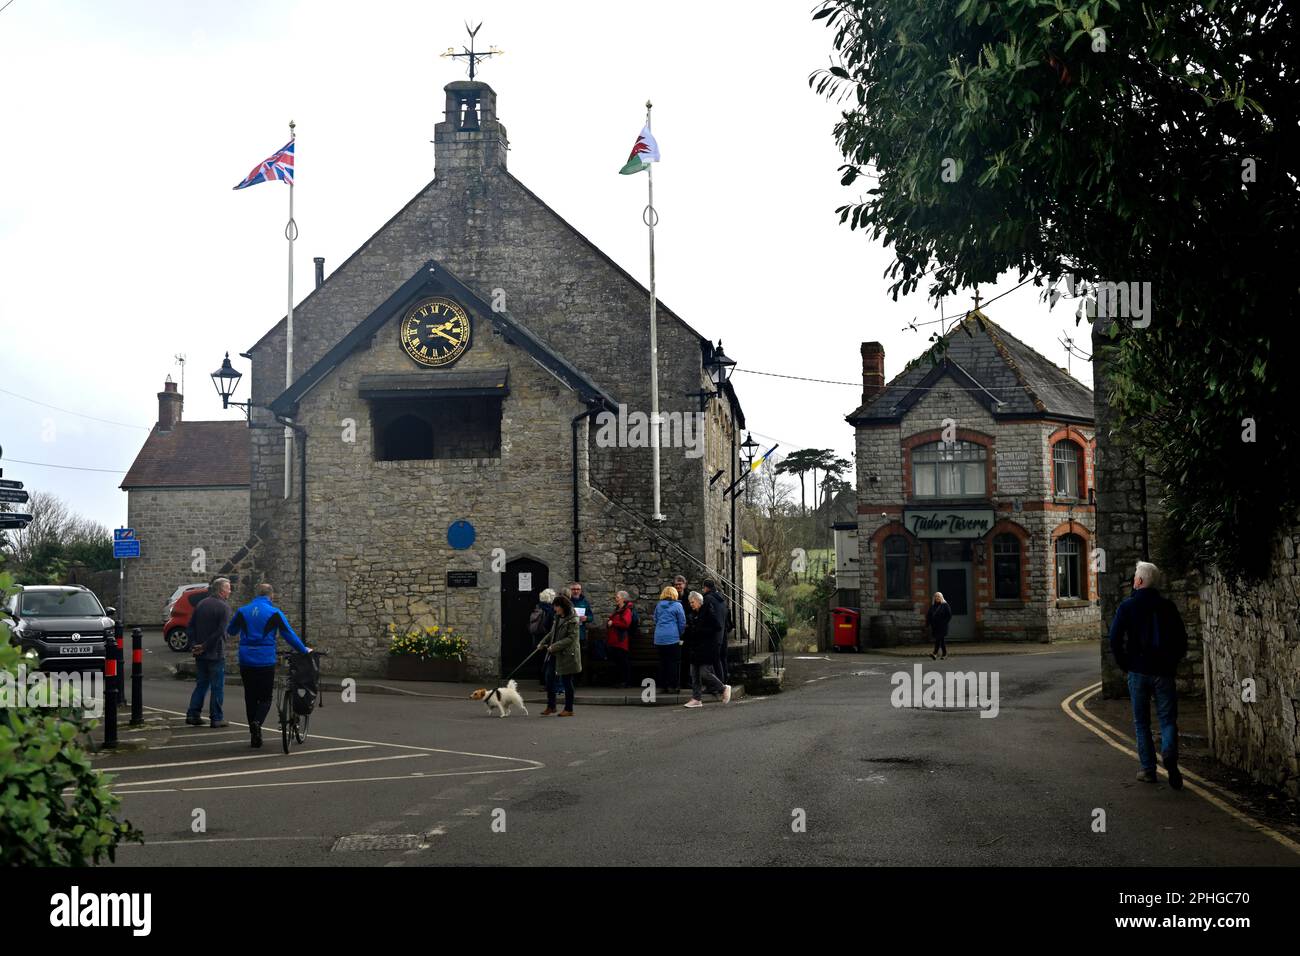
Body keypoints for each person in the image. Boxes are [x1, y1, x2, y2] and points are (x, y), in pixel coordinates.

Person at [1109, 561, 1188, 788]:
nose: (1134, 580)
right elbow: (1181, 640)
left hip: (1138, 671)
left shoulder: (1127, 606)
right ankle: (1169, 753)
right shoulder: (1168, 607)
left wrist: (1126, 664)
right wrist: (1172, 662)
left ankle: (1148, 769)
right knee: (1167, 719)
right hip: (1163, 672)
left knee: (1141, 722)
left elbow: (1114, 639)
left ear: (1140, 581)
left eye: (1135, 577)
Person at [227, 583, 311, 748]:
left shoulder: (242, 611)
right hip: (265, 660)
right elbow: (288, 634)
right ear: (271, 596)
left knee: (250, 697)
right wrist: (303, 650)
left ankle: (254, 735)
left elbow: (231, 631)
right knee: (265, 698)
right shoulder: (274, 612)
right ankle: (258, 723)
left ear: (256, 594)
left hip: (246, 660)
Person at [185, 577, 233, 728]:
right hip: (215, 653)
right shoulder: (224, 607)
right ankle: (216, 718)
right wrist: (205, 646)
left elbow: (190, 626)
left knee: (201, 684)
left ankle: (193, 714)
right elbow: (220, 632)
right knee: (217, 687)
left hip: (200, 654)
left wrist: (194, 645)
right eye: (228, 588)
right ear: (221, 590)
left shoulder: (201, 604)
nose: (230, 591)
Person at [684, 591, 732, 708]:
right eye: (690, 603)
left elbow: (717, 627)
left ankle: (723, 688)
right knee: (694, 673)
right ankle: (696, 699)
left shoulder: (708, 612)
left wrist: (700, 631)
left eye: (693, 602)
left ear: (699, 601)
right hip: (695, 648)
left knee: (704, 673)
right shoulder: (693, 614)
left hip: (706, 648)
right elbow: (692, 630)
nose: (691, 604)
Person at [539, 592, 581, 716]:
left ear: (563, 607)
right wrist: (542, 643)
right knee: (549, 679)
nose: (554, 608)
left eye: (556, 606)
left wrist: (554, 646)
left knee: (567, 681)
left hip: (567, 655)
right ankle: (551, 706)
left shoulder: (573, 620)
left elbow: (571, 638)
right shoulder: (557, 617)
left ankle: (569, 709)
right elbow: (552, 633)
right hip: (554, 653)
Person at [653, 585, 687, 694]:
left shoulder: (659, 605)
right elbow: (682, 622)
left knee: (662, 662)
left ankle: (663, 686)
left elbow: (655, 619)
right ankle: (673, 686)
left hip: (659, 638)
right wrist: (679, 634)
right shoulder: (677, 605)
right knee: (674, 663)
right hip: (672, 638)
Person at [700, 579, 728, 683]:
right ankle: (723, 682)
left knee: (713, 662)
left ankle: (717, 686)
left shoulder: (708, 599)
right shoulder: (722, 599)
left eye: (703, 588)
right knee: (719, 660)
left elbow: (706, 617)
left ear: (706, 587)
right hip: (721, 635)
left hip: (712, 635)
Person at [606, 590, 634, 688]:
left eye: (617, 597)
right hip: (615, 641)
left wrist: (613, 623)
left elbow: (626, 624)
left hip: (621, 641)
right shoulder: (618, 609)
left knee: (623, 662)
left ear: (623, 598)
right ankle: (619, 681)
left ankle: (625, 682)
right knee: (618, 662)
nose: (616, 598)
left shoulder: (627, 610)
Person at [532, 588, 558, 688]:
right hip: (546, 638)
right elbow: (549, 626)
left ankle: (542, 680)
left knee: (540, 660)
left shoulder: (537, 608)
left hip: (537, 638)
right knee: (548, 661)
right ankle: (548, 683)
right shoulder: (550, 610)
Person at [926, 592, 951, 660]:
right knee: (941, 640)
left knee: (938, 638)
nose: (937, 598)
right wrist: (928, 624)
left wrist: (944, 622)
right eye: (936, 596)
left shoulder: (945, 605)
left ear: (941, 597)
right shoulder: (933, 606)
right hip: (935, 626)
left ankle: (935, 653)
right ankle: (944, 654)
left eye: (938, 596)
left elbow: (949, 615)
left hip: (942, 626)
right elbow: (929, 615)